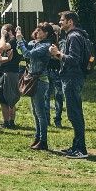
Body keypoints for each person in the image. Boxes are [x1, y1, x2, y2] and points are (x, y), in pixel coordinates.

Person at [57, 10, 91, 158]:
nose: (60, 22)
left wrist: (57, 54)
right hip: (74, 77)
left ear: (70, 22)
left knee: (74, 113)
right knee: (75, 112)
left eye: (62, 20)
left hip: (72, 78)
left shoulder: (74, 36)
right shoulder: (76, 35)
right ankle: (76, 146)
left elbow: (73, 59)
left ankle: (81, 150)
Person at [22, 23, 60, 151]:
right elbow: (26, 48)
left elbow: (27, 54)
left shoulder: (45, 46)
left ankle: (43, 141)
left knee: (40, 112)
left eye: (40, 30)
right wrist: (20, 40)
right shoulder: (38, 43)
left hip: (40, 81)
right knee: (35, 111)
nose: (37, 31)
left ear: (46, 33)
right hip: (34, 79)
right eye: (37, 29)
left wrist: (18, 40)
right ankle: (37, 137)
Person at [0, 23, 24, 130]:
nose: (1, 33)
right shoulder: (16, 41)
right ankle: (11, 122)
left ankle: (7, 122)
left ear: (9, 31)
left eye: (3, 31)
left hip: (8, 73)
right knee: (11, 97)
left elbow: (1, 47)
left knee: (4, 99)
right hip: (13, 72)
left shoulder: (12, 41)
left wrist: (3, 36)